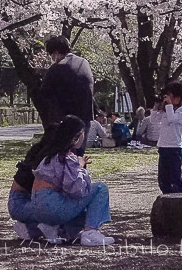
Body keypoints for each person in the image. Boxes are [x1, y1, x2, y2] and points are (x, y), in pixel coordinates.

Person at [30, 115, 115, 246]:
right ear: (76, 136)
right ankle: (90, 233)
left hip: (38, 208)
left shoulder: (49, 155)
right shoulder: (68, 157)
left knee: (85, 212)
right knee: (100, 188)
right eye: (82, 133)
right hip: (52, 207)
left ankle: (54, 228)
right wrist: (80, 167)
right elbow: (76, 190)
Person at [9, 124, 66, 242]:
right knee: (60, 211)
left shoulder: (41, 152)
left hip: (19, 202)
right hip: (20, 203)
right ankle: (33, 228)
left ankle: (30, 229)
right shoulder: (45, 159)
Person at [37, 36, 95, 135]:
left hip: (66, 121)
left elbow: (44, 94)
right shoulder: (84, 63)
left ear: (55, 53)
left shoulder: (57, 68)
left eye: (51, 55)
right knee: (79, 150)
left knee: (65, 149)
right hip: (85, 117)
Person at [156, 81, 182, 194]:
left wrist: (169, 106)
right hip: (163, 147)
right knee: (163, 179)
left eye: (170, 96)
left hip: (174, 147)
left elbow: (172, 119)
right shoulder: (165, 110)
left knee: (175, 178)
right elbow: (153, 120)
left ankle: (178, 199)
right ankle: (167, 198)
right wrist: (157, 107)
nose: (168, 99)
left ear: (178, 98)